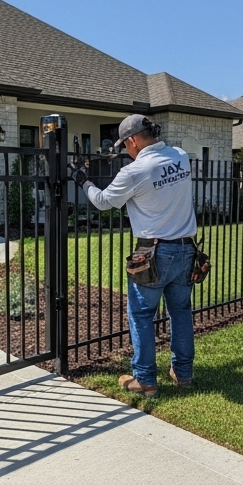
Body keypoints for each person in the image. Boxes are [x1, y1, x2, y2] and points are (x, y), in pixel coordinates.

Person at [71, 114, 198, 397]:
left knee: (141, 314)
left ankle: (145, 380)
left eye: (125, 145)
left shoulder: (135, 171)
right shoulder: (180, 156)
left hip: (154, 252)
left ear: (132, 141)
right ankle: (183, 373)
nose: (126, 150)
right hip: (186, 248)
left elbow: (104, 202)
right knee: (180, 312)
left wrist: (83, 181)